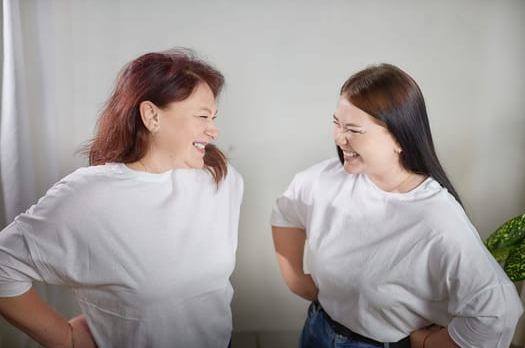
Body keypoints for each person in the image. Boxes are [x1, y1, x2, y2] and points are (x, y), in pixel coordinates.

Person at [0, 48, 243, 347]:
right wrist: (67, 338)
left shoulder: (220, 178)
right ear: (152, 115)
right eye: (203, 116)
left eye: (214, 116)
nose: (214, 130)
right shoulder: (87, 197)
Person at [271, 63, 523, 348]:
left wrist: (429, 343)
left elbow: (497, 312)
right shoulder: (325, 179)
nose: (338, 138)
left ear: (399, 138)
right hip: (317, 327)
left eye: (353, 129)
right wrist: (295, 279)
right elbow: (287, 209)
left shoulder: (437, 219)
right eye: (337, 123)